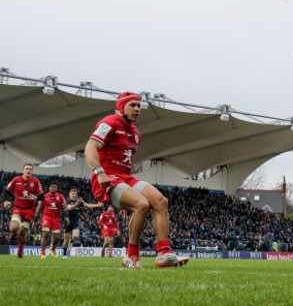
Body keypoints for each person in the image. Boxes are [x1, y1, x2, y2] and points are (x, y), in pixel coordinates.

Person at [84, 91, 189, 268]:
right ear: (121, 107)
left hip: (124, 178)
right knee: (141, 204)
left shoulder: (136, 134)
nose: (137, 109)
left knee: (160, 201)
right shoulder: (109, 122)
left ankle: (163, 253)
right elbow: (90, 147)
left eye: (139, 106)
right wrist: (99, 172)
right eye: (132, 105)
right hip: (107, 178)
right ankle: (131, 256)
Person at [3, 163, 44, 258]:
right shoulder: (16, 180)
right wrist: (5, 201)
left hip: (29, 210)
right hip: (18, 208)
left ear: (32, 171)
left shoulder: (36, 181)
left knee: (23, 231)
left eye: (30, 169)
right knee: (13, 227)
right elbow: (6, 190)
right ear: (23, 171)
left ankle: (20, 251)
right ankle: (13, 234)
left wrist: (36, 197)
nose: (28, 170)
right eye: (27, 169)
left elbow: (42, 196)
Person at [62, 187, 103, 259]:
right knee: (66, 239)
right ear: (69, 194)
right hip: (67, 222)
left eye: (75, 194)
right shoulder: (67, 201)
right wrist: (77, 203)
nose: (74, 195)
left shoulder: (79, 201)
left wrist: (97, 205)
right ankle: (64, 253)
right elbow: (70, 208)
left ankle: (71, 242)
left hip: (75, 222)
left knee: (75, 236)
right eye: (72, 194)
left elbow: (88, 205)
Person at [33, 182, 66, 258]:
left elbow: (64, 208)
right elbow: (39, 209)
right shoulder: (44, 196)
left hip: (56, 218)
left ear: (57, 188)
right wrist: (35, 220)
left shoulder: (60, 196)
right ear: (49, 188)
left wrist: (67, 215)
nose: (54, 188)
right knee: (45, 234)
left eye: (55, 187)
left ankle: (53, 249)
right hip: (47, 217)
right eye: (52, 187)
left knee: (57, 238)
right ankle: (43, 253)